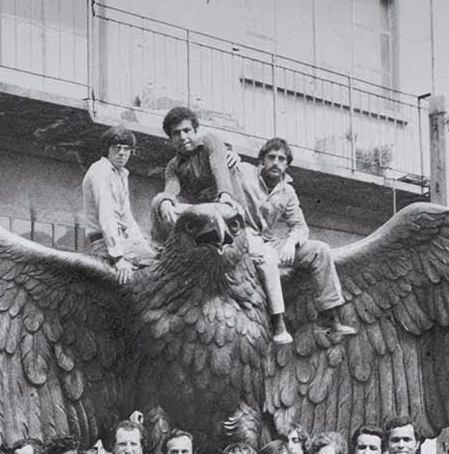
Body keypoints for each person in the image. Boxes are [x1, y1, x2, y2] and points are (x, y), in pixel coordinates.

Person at [151, 106, 293, 344]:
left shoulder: (210, 142)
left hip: (227, 214)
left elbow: (220, 171)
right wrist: (166, 200)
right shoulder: (173, 166)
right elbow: (171, 189)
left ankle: (278, 320)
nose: (183, 137)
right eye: (177, 133)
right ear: (171, 138)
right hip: (204, 218)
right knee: (160, 202)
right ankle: (162, 252)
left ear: (195, 130)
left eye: (187, 130)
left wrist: (225, 195)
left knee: (267, 257)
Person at [233, 138, 356, 339]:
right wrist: (229, 152)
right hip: (243, 238)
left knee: (320, 249)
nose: (276, 162)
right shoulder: (244, 172)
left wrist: (291, 242)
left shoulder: (287, 191)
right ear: (261, 161)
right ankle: (278, 323)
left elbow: (299, 226)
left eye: (282, 159)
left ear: (287, 165)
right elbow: (222, 161)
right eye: (271, 157)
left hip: (268, 241)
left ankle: (329, 317)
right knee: (270, 254)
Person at [81, 125, 154, 285]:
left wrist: (143, 247)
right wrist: (119, 258)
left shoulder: (121, 174)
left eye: (127, 149)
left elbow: (127, 218)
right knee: (128, 279)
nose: (122, 153)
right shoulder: (100, 171)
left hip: (122, 239)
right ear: (107, 149)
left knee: (156, 262)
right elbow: (106, 216)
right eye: (117, 148)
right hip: (102, 243)